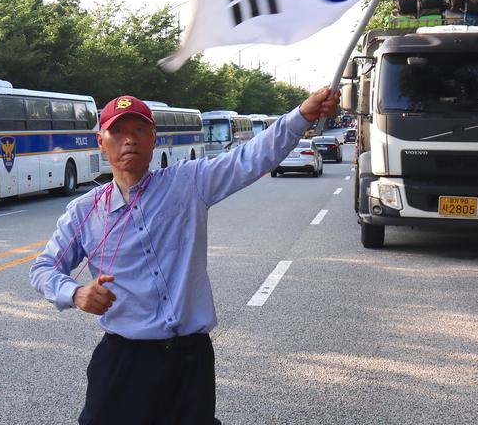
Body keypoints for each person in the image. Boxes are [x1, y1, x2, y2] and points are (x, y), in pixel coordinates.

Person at [29, 89, 340, 424]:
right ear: (100, 141)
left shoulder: (188, 183)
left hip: (189, 361)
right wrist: (75, 293)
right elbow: (44, 268)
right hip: (123, 358)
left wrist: (302, 116)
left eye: (138, 131)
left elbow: (249, 158)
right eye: (117, 132)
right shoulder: (85, 211)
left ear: (154, 139)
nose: (128, 140)